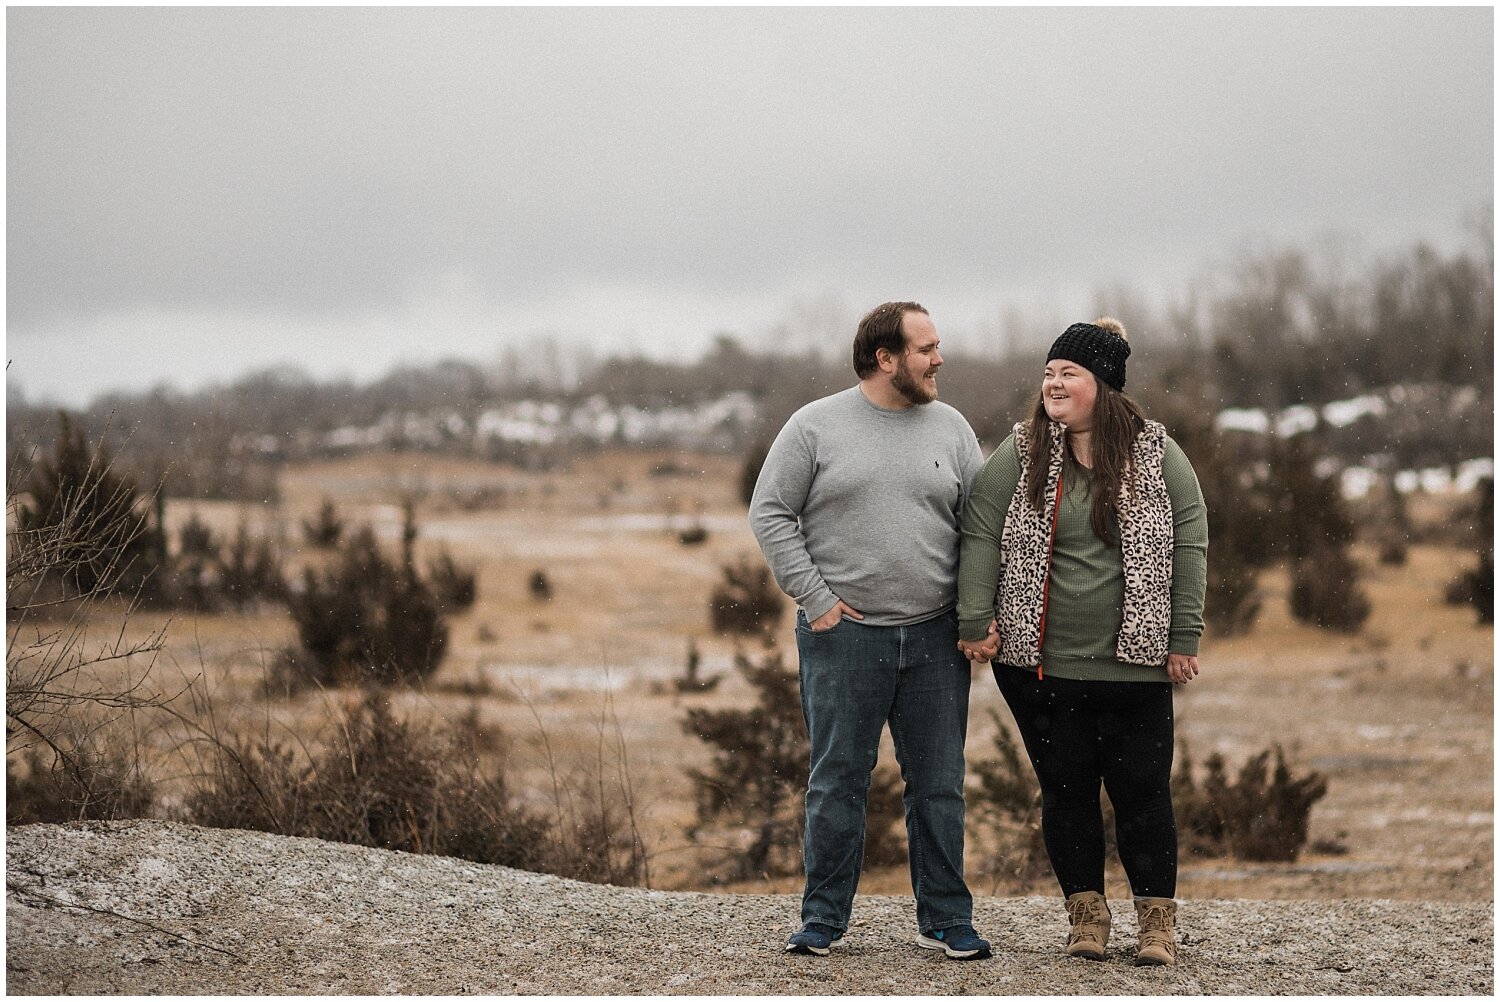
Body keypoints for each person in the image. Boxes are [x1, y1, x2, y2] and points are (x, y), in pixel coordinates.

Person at [955, 317, 1207, 968]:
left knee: (1143, 793)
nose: (1053, 382)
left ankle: (1156, 927)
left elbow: (1191, 542)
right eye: (1048, 372)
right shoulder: (1022, 451)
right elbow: (981, 531)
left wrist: (1184, 636)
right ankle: (1086, 919)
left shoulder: (1157, 452)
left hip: (1137, 663)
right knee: (1066, 792)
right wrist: (973, 617)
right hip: (1041, 667)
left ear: (1105, 386)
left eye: (1069, 373)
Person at [749, 301, 991, 961]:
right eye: (925, 348)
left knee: (939, 784)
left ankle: (945, 919)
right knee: (838, 781)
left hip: (937, 642)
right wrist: (815, 598)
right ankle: (822, 920)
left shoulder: (952, 428)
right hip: (843, 640)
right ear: (886, 358)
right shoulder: (815, 427)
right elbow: (769, 511)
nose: (938, 359)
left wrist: (975, 616)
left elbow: (980, 530)